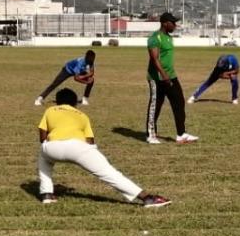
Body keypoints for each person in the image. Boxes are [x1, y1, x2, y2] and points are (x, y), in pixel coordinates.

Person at [38, 88, 170, 207]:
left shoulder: (50, 110)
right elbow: (90, 140)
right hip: (78, 147)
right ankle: (147, 198)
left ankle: (47, 194)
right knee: (109, 173)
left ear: (57, 102)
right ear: (75, 103)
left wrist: (46, 146)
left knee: (43, 157)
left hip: (52, 147)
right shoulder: (82, 115)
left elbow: (42, 132)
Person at [145, 12, 197, 144]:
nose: (175, 25)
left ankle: (181, 134)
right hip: (157, 78)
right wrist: (164, 75)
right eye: (172, 23)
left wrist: (169, 76)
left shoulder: (168, 37)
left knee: (179, 102)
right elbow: (154, 59)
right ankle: (151, 135)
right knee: (155, 105)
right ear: (165, 23)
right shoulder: (155, 38)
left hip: (171, 76)